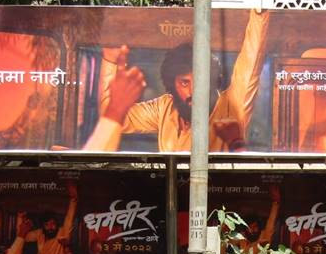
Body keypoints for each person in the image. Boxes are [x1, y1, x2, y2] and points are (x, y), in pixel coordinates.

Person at [81, 8, 270, 153]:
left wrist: (259, 14)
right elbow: (115, 115)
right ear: (172, 85)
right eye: (184, 83)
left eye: (200, 81)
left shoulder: (231, 105)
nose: (193, 91)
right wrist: (110, 60)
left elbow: (251, 62)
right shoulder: (165, 107)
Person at [0, 184, 78, 254]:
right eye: (47, 224)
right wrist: (20, 218)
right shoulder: (39, 234)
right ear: (43, 226)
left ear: (57, 224)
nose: (50, 227)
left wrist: (73, 199)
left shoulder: (62, 232)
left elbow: (69, 218)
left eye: (53, 224)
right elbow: (22, 236)